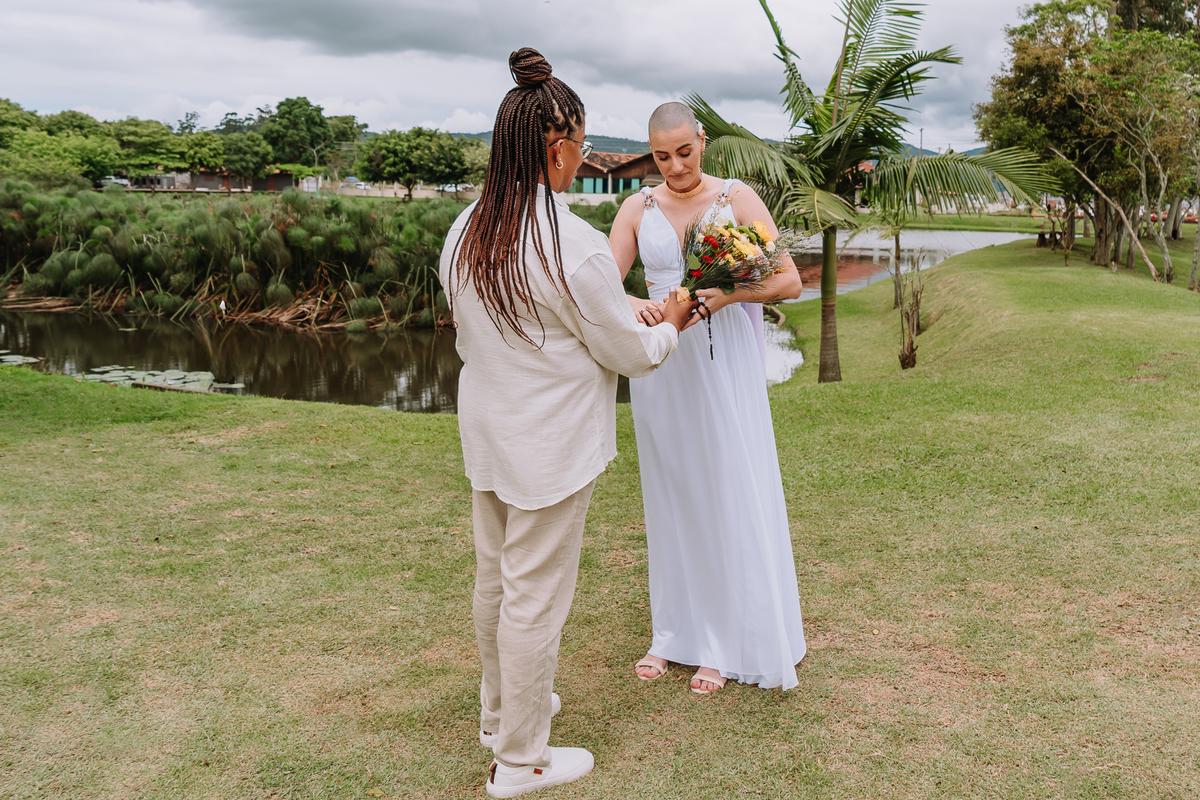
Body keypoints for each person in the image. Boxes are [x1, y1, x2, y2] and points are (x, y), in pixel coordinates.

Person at [438, 51, 695, 797]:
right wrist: (671, 320)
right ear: (557, 148)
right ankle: (519, 760)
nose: (581, 160)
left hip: (489, 428)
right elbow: (630, 352)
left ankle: (501, 717)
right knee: (533, 598)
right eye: (580, 146)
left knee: (497, 581)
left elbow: (475, 330)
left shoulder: (467, 227)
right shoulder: (573, 242)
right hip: (547, 444)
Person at [608, 102, 808, 694]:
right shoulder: (634, 208)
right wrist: (629, 304)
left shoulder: (736, 200)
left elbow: (788, 280)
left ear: (702, 141)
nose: (674, 167)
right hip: (664, 362)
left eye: (684, 152)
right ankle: (673, 633)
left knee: (723, 486)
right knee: (673, 491)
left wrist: (718, 298)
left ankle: (723, 641)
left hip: (722, 361)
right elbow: (600, 283)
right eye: (662, 156)